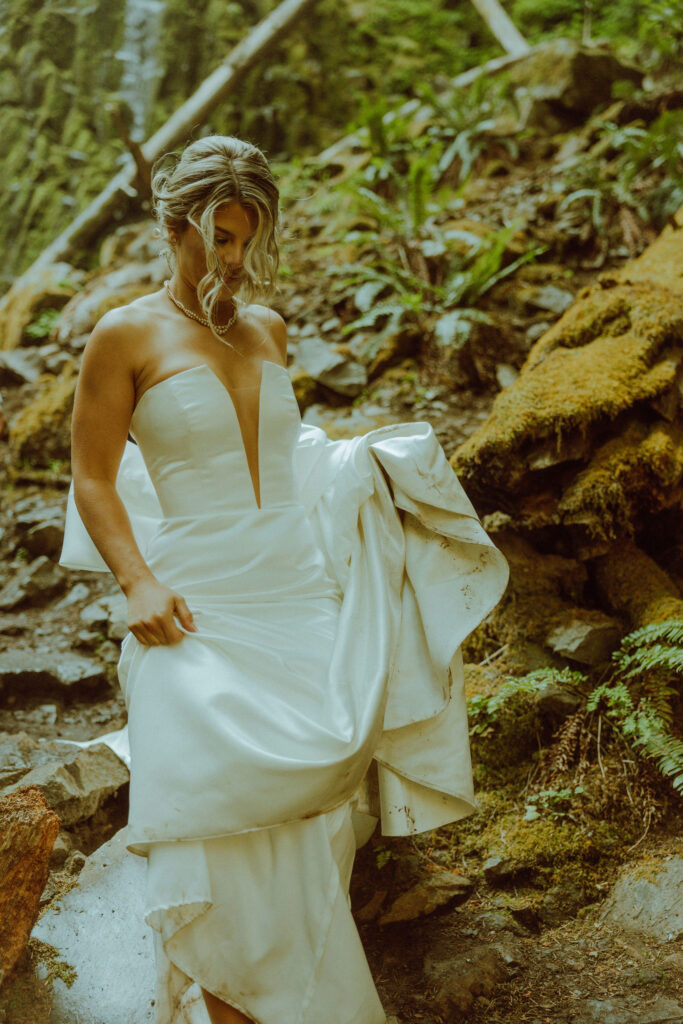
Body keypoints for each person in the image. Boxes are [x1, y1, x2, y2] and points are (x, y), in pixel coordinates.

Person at [61, 134, 509, 1024]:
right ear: (172, 224)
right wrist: (137, 583)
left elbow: (284, 459)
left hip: (303, 598)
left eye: (244, 237)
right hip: (195, 607)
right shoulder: (125, 334)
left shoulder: (268, 330)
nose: (228, 258)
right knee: (214, 820)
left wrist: (364, 474)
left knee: (314, 827)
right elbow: (94, 477)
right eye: (213, 236)